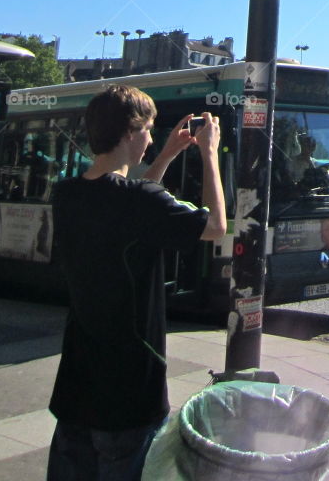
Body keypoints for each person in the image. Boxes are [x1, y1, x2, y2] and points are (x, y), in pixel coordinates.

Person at [46, 86, 226, 481]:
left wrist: (166, 155)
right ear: (130, 132)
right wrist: (208, 153)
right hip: (129, 390)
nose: (150, 137)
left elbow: (133, 206)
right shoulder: (138, 199)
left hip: (76, 386)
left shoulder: (67, 194)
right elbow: (215, 226)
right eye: (147, 129)